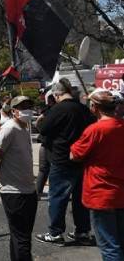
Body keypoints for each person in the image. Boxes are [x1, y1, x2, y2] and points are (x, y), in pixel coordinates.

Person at [35, 78, 96, 246]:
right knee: (80, 199)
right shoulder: (83, 109)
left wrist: (40, 121)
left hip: (62, 158)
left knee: (57, 197)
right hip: (81, 157)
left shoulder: (58, 109)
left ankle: (55, 233)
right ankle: (83, 231)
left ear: (57, 94)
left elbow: (44, 129)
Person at [70, 89, 124, 260]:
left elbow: (74, 155)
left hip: (101, 193)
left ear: (95, 107)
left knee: (110, 247)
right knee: (120, 243)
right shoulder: (120, 126)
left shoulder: (94, 130)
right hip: (120, 193)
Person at [0, 101, 38, 261]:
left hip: (28, 189)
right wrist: (0, 173)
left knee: (19, 236)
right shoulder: (9, 128)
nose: (27, 111)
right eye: (23, 108)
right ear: (14, 111)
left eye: (29, 107)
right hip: (15, 192)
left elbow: (13, 158)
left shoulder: (24, 127)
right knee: (22, 238)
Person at [35, 91, 56, 197]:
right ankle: (52, 193)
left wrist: (41, 130)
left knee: (43, 169)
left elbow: (38, 121)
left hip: (44, 143)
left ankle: (37, 193)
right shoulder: (57, 110)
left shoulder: (47, 110)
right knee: (53, 169)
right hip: (52, 144)